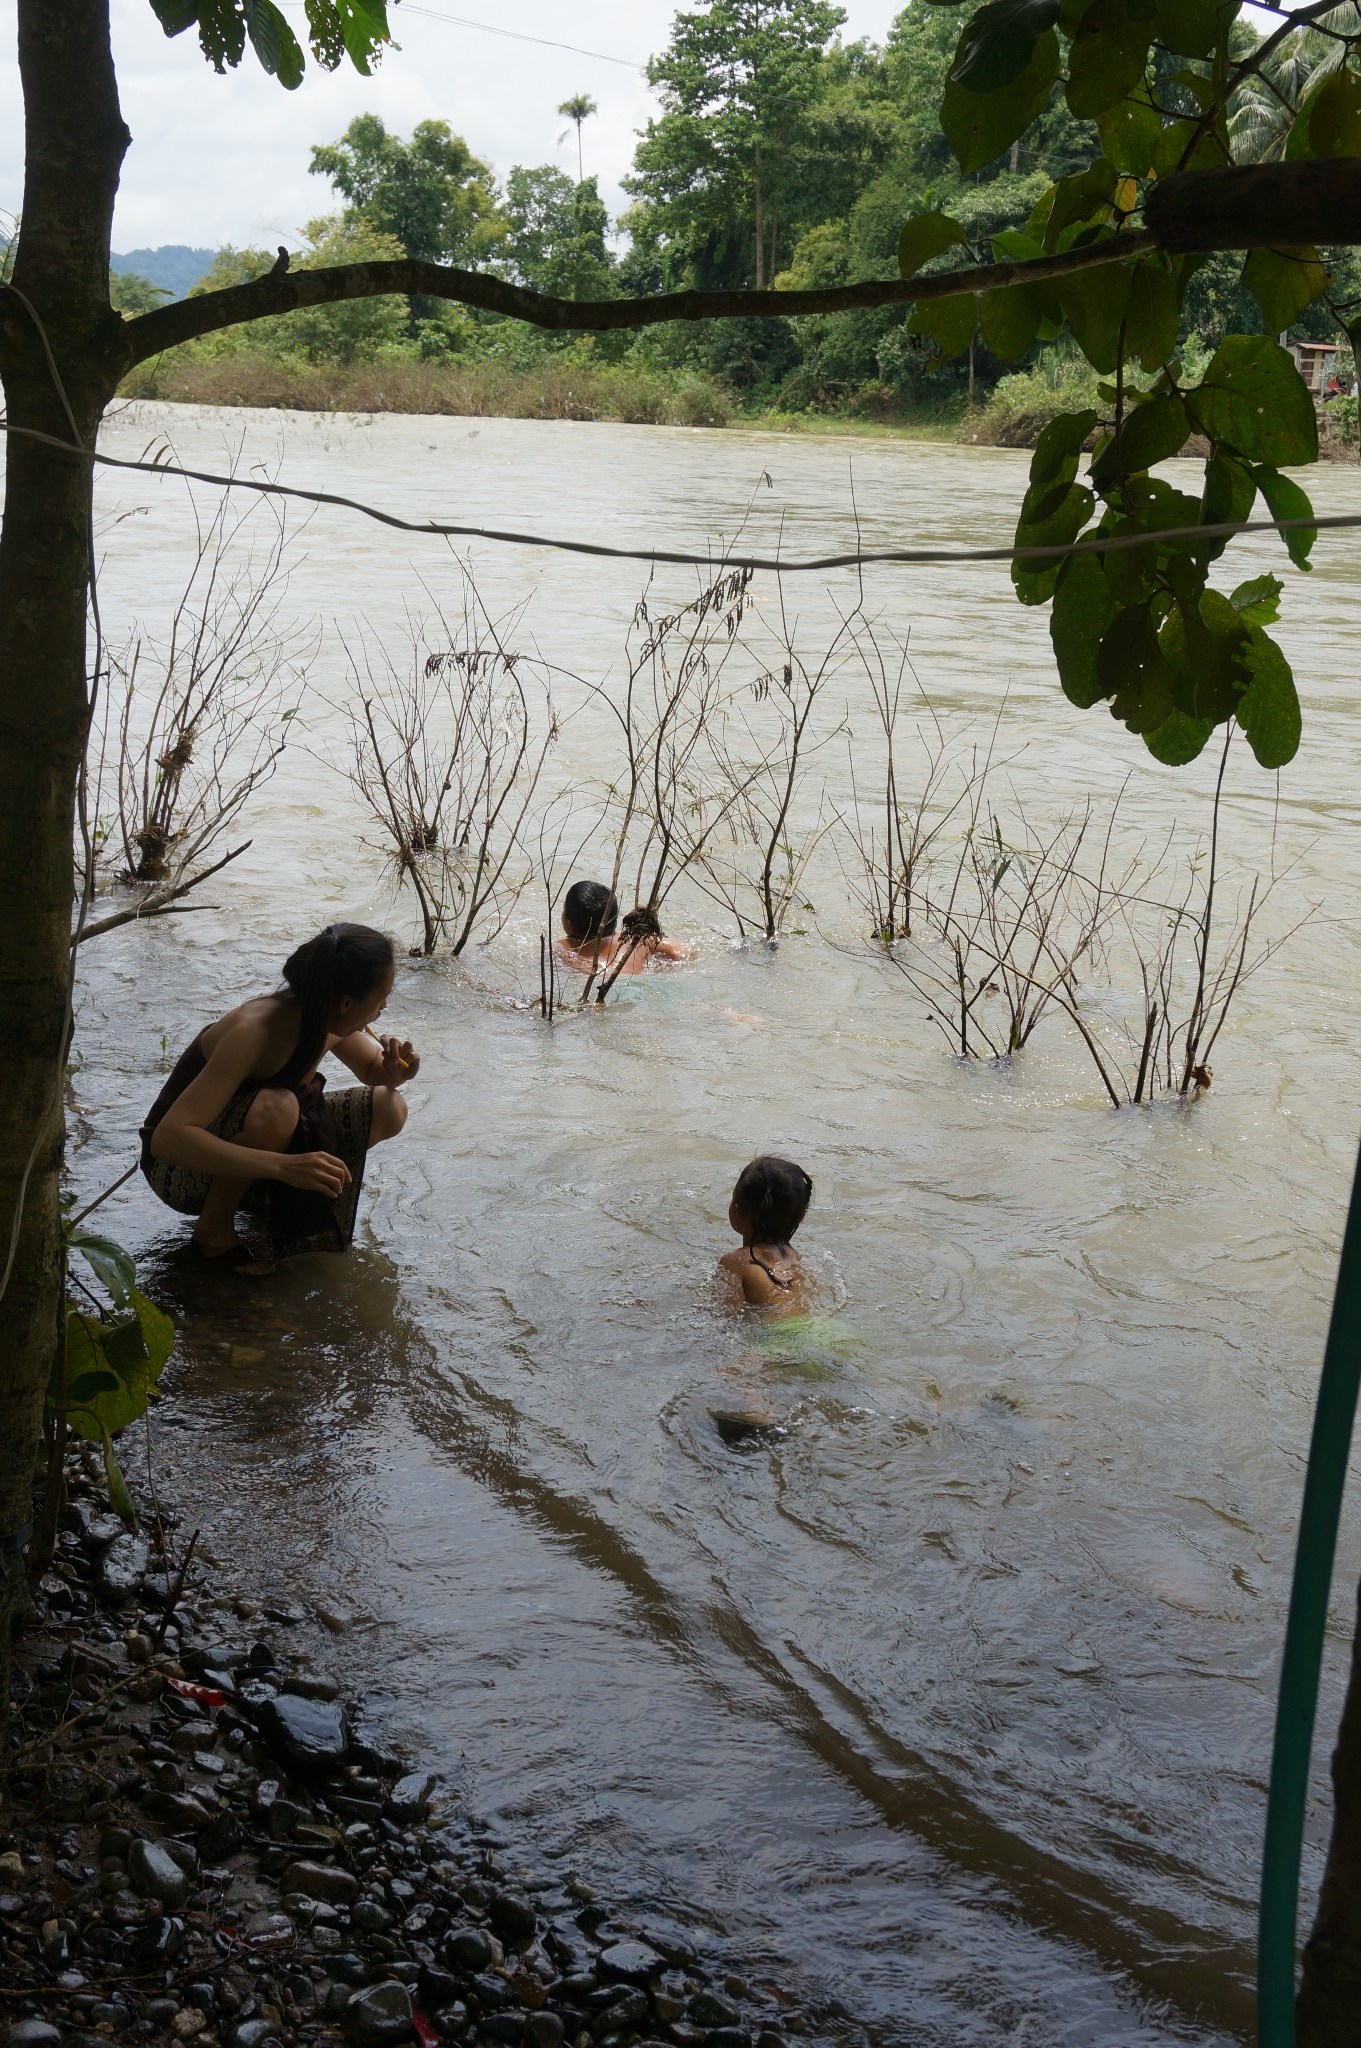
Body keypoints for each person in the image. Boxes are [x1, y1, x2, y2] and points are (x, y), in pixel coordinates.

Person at [139, 922, 418, 1272]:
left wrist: (399, 1070)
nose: (384, 1008)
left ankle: (271, 1198)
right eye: (381, 998)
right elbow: (168, 1140)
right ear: (347, 1002)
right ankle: (213, 1232)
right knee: (279, 1108)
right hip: (179, 1172)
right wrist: (284, 1167)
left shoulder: (327, 1015)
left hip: (253, 1150)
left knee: (389, 1106)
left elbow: (373, 1070)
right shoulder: (252, 1032)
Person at [717, 1155, 814, 1310]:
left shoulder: (735, 1262)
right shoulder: (795, 1258)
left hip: (776, 1332)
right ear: (801, 1217)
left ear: (737, 1213)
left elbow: (721, 1315)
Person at [555, 881, 690, 975]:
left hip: (603, 984)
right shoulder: (638, 941)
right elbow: (679, 950)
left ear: (571, 926)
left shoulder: (563, 947)